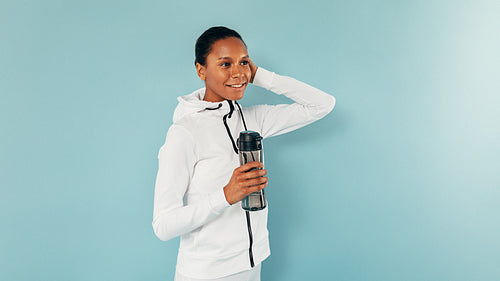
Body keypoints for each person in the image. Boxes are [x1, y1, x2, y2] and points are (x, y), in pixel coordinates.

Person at [152, 26, 336, 281]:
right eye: (225, 64)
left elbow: (322, 104)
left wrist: (258, 75)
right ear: (201, 70)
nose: (237, 73)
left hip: (251, 265)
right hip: (206, 274)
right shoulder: (184, 133)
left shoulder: (252, 120)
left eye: (243, 62)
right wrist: (226, 196)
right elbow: (163, 225)